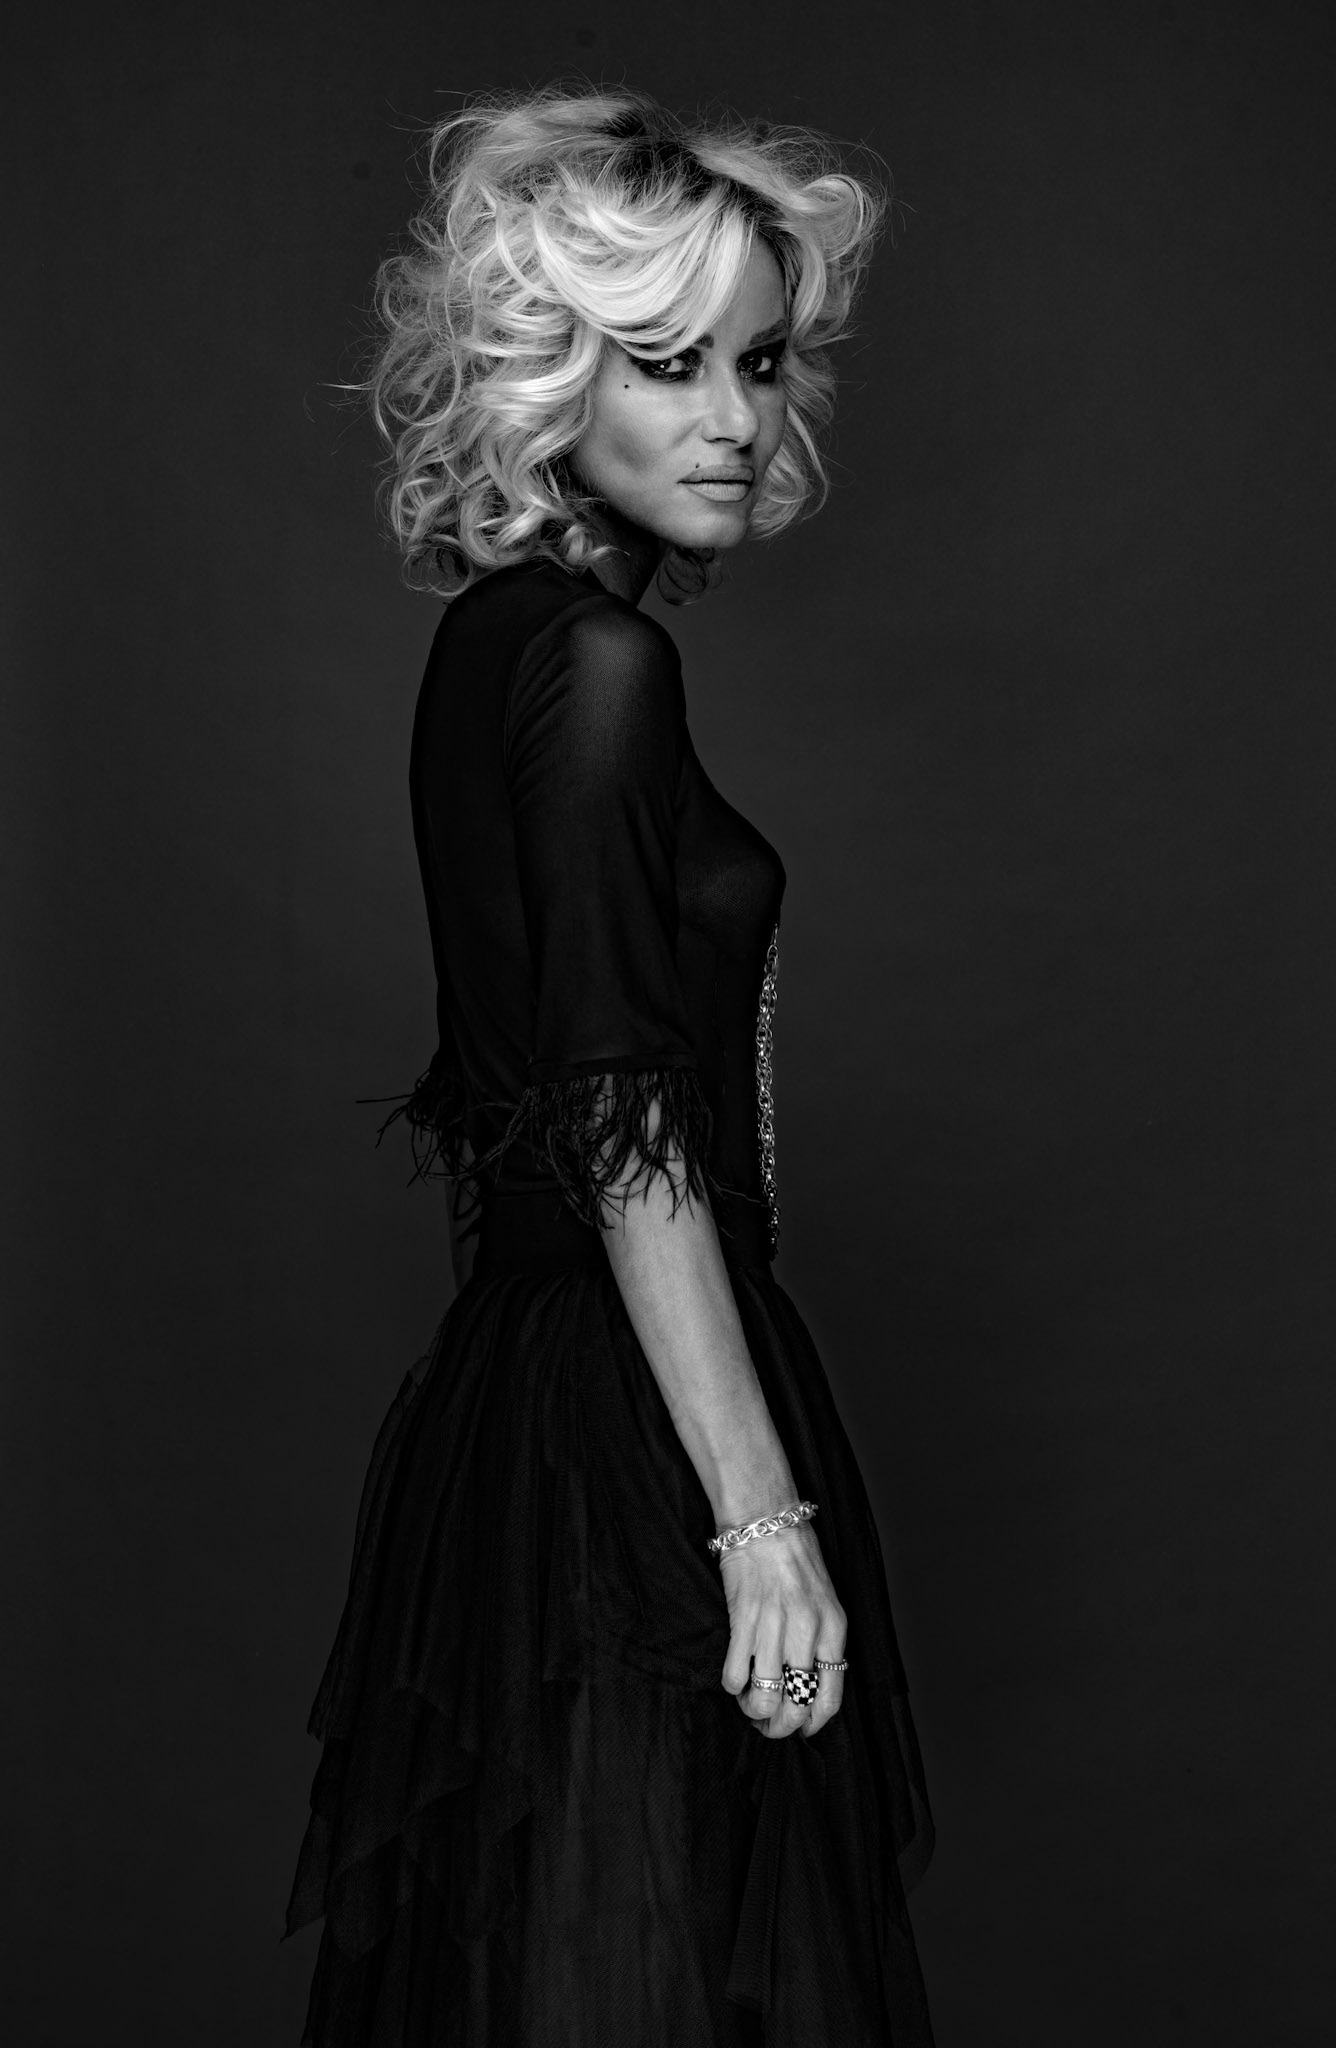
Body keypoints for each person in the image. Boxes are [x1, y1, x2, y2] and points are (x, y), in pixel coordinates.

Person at [285, 84, 936, 2047]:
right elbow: (614, 1116)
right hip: (632, 1423)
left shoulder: (498, 644)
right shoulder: (592, 663)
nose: (734, 418)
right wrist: (758, 1516)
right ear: (551, 372)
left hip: (535, 1403)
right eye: (667, 364)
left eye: (759, 360)